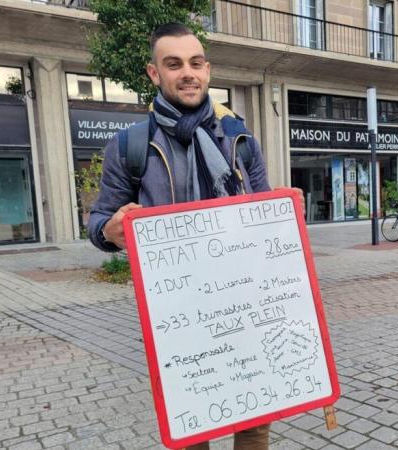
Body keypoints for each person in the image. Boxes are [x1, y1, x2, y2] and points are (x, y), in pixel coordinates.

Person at [88, 22, 299, 449]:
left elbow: (262, 217)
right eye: (174, 64)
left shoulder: (239, 139)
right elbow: (99, 223)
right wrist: (109, 230)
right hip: (178, 313)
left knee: (256, 423)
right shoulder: (130, 146)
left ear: (208, 70)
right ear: (154, 73)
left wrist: (281, 215)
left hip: (247, 302)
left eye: (196, 63)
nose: (188, 72)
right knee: (192, 429)